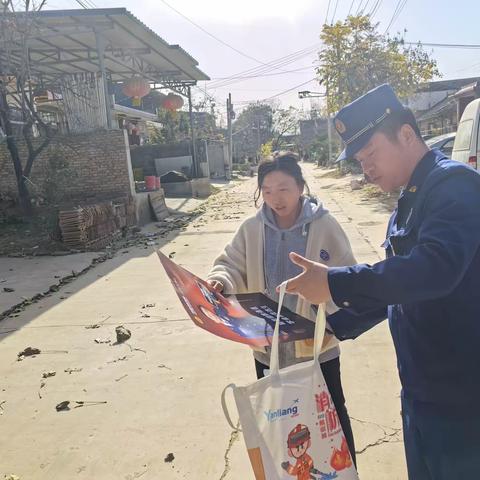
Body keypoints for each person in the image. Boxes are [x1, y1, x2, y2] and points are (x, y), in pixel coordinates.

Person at [283, 84, 480, 479]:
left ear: (406, 135)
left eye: (371, 154)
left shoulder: (456, 186)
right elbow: (400, 292)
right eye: (359, 159)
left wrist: (337, 283)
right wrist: (328, 330)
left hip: (463, 402)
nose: (365, 167)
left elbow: (435, 269)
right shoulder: (405, 204)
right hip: (421, 394)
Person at [207, 152, 357, 461]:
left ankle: (344, 470)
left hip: (316, 347)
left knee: (330, 417)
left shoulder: (325, 225)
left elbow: (348, 276)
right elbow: (230, 263)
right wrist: (220, 280)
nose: (276, 198)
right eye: (268, 190)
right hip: (267, 346)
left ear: (301, 186)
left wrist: (328, 317)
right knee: (280, 419)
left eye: (284, 188)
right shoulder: (251, 229)